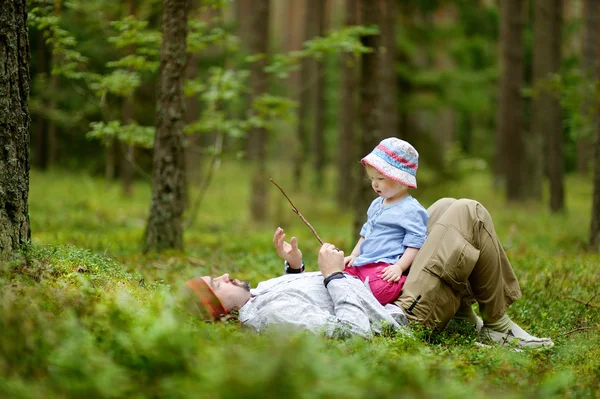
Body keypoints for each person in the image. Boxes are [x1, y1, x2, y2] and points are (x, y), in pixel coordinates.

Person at [183, 198, 555, 348]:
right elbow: (351, 333)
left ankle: (460, 316)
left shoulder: (261, 296)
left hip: (383, 289)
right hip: (404, 315)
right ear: (222, 312)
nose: (227, 275)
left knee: (442, 208)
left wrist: (295, 267)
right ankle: (498, 327)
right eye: (219, 284)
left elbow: (311, 300)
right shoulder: (268, 315)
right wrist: (333, 276)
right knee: (468, 213)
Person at [344, 137, 428, 305]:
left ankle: (395, 286)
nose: (375, 184)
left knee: (382, 288)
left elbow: (415, 243)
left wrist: (399, 267)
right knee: (337, 271)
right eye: (372, 179)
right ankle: (354, 286)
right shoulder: (377, 203)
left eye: (380, 179)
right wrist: (354, 255)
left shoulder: (411, 209)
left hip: (384, 266)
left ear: (400, 179)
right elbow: (366, 233)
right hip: (364, 262)